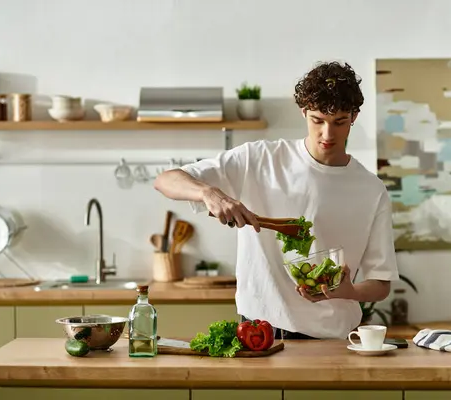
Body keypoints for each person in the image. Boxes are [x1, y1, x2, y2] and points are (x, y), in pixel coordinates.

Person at [154, 61, 399, 340]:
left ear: (354, 116)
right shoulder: (258, 159)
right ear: (304, 111)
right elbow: (166, 180)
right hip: (259, 330)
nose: (327, 134)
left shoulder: (371, 189)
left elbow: (380, 284)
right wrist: (210, 193)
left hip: (332, 336)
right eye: (317, 120)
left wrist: (350, 292)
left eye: (339, 122)